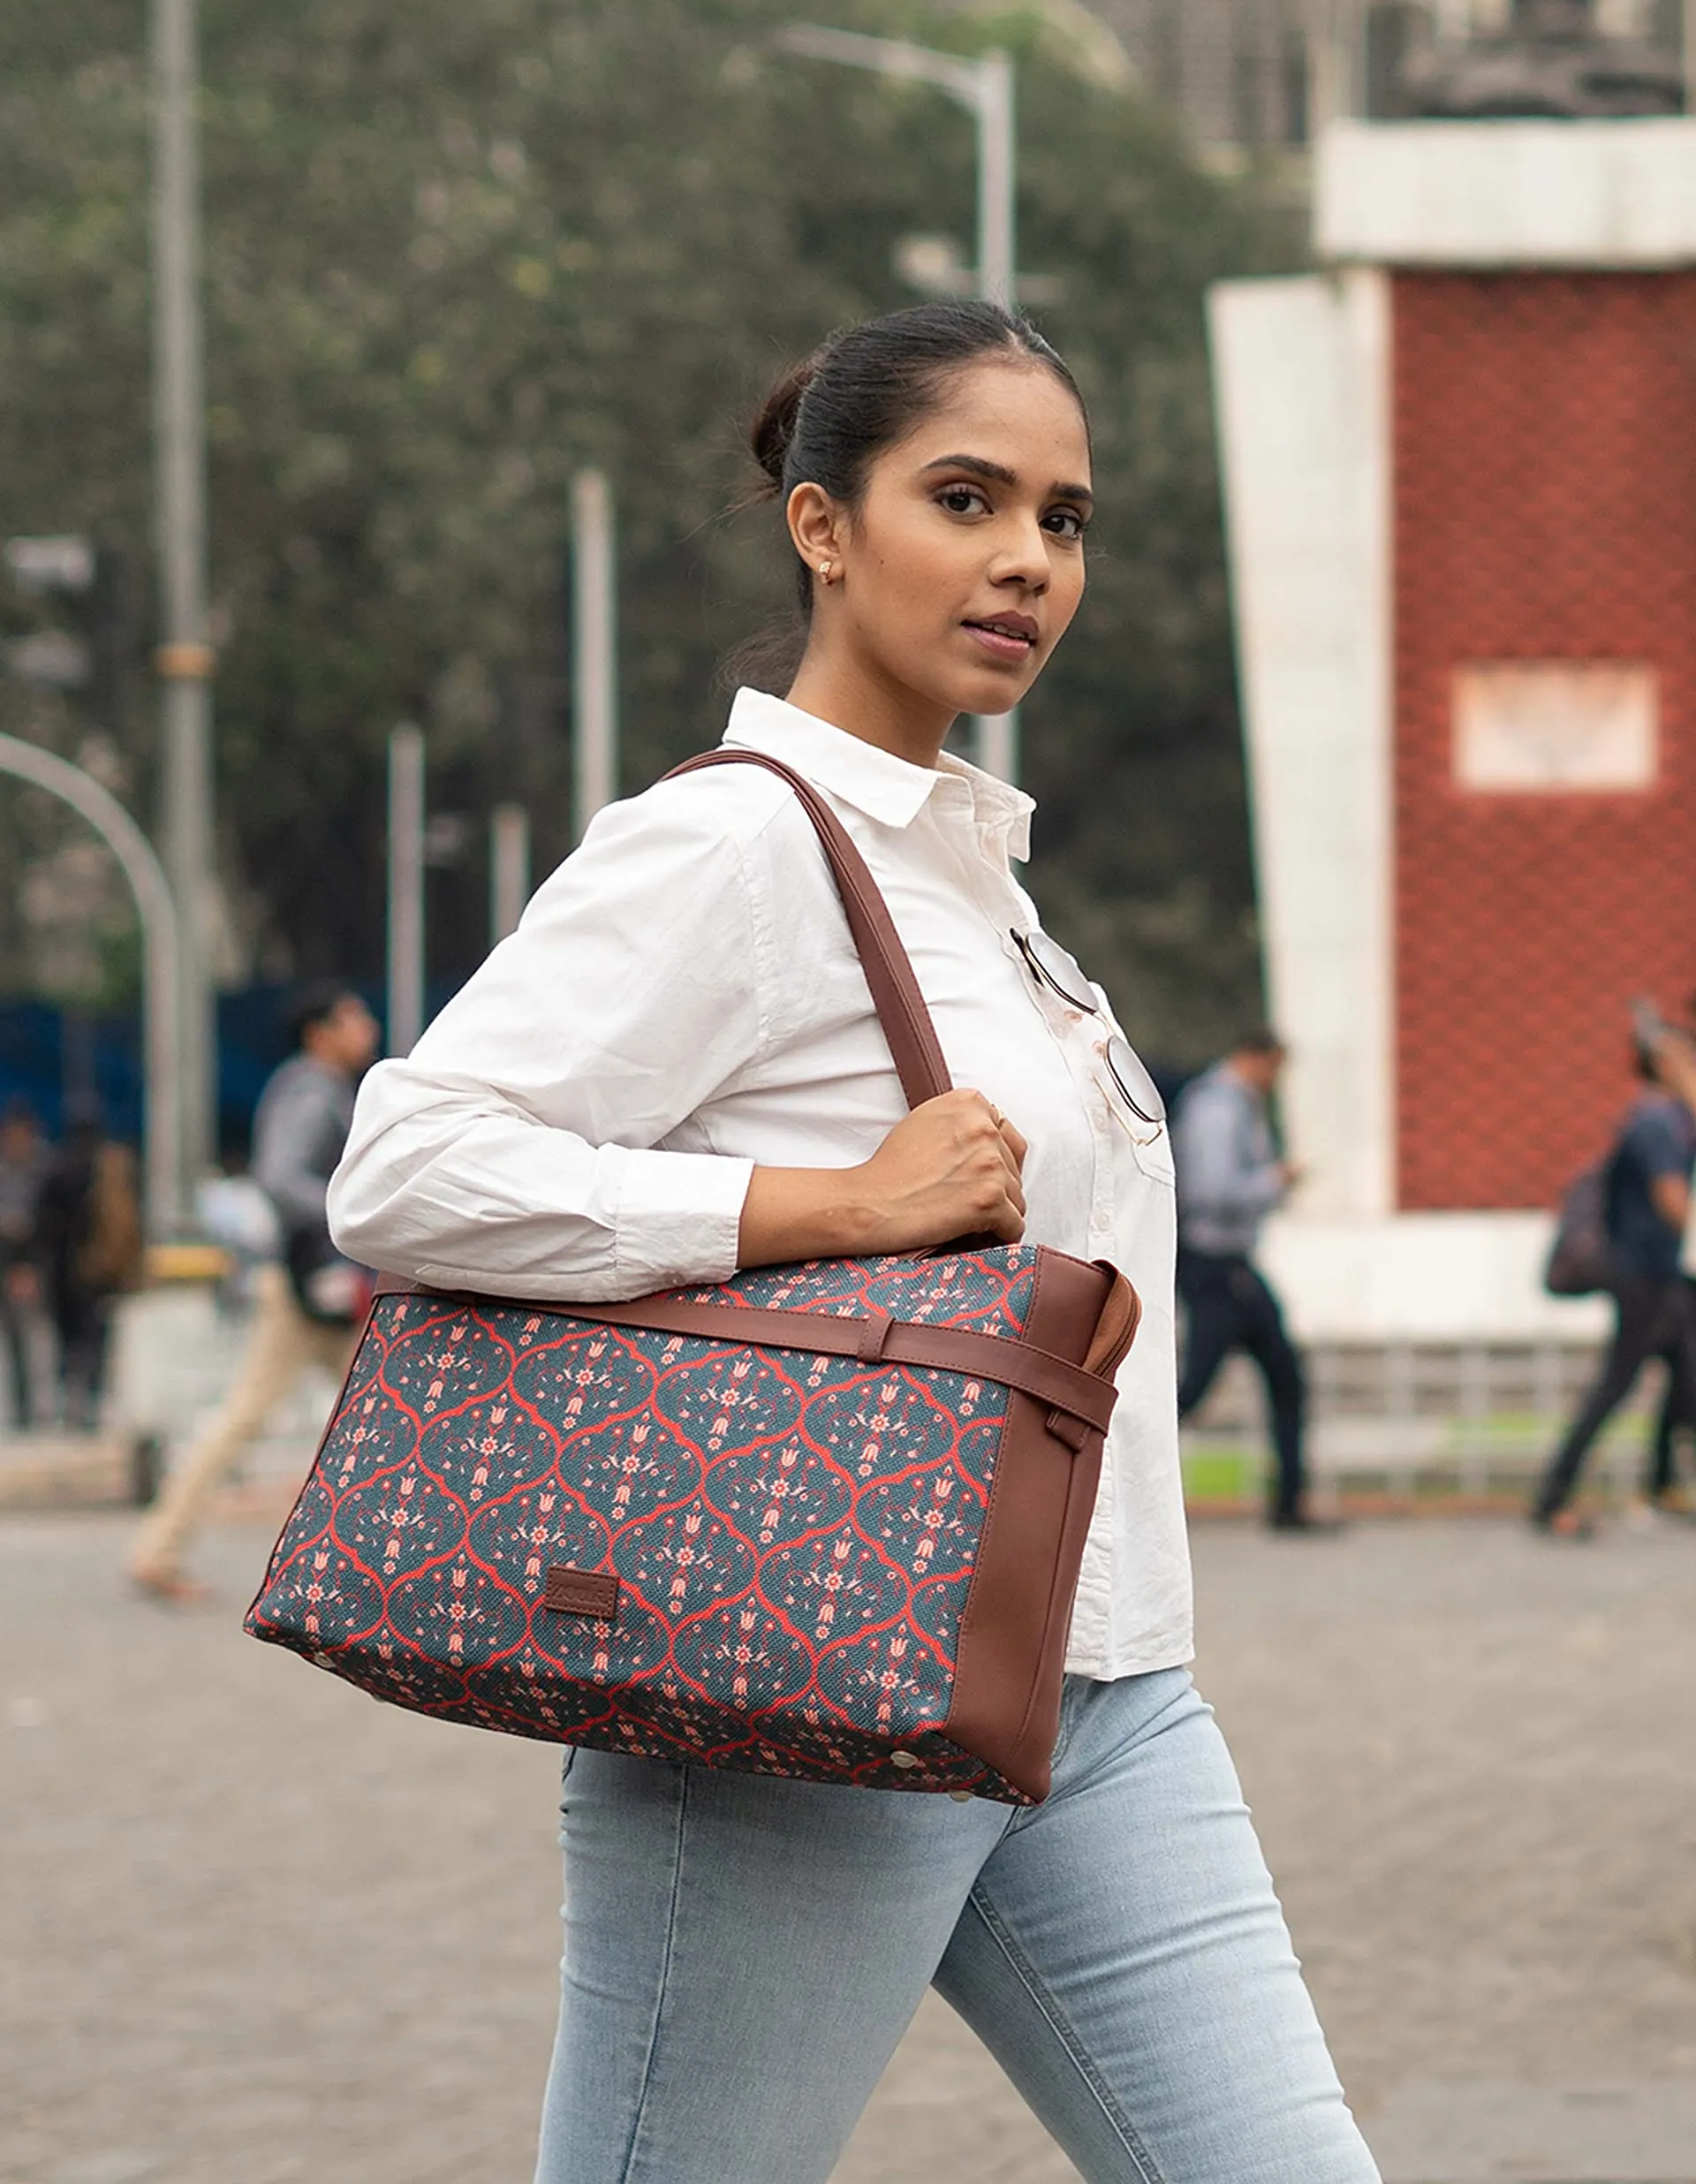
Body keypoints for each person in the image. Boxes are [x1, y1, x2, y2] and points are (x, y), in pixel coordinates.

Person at [327, 303, 1379, 2184]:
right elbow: (404, 1167)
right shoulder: (735, 850)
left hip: (1101, 1689)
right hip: (802, 1696)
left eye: (1063, 518)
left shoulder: (980, 885)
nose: (1025, 562)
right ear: (822, 524)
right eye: (962, 498)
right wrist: (827, 1204)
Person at [128, 982, 379, 1601]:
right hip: (305, 1289)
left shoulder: (316, 1088)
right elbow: (279, 1176)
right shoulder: (310, 1090)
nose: (365, 1026)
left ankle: (372, 1564)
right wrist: (350, 1210)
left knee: (372, 1414)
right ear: (320, 1031)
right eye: (352, 1015)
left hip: (313, 1287)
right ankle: (161, 1549)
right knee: (283, 1416)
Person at [1532, 1036, 1696, 1536]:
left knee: (1688, 1370)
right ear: (1665, 1066)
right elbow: (1671, 1199)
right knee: (1616, 1383)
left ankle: (1664, 1482)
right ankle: (1552, 1496)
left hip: (1664, 1274)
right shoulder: (1657, 1122)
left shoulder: (1672, 1118)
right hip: (1642, 1274)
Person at [1170, 1027, 1329, 1532]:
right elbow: (1210, 1191)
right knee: (1191, 1391)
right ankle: (1112, 1477)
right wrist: (1274, 1182)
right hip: (1214, 1265)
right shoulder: (1217, 1108)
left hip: (1235, 1264)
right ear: (1259, 1060)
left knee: (1286, 1378)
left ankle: (1290, 1503)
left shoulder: (1235, 1105)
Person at [33, 1107, 145, 1430]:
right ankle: (92, 1401)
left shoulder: (57, 1168)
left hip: (63, 1270)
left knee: (66, 1338)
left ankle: (71, 1402)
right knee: (96, 1336)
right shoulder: (110, 1170)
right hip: (100, 1271)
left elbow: (44, 1223)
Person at [0, 1096, 49, 1431]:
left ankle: (36, 1407)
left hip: (30, 1264)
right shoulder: (5, 1170)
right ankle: (21, 1408)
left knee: (36, 1337)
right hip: (5, 1261)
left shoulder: (41, 1169)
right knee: (15, 1341)